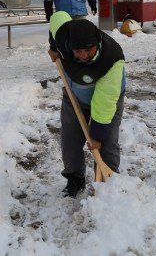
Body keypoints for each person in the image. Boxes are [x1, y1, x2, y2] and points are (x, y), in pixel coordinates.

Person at [47, 12, 125, 197]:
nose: (83, 55)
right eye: (77, 51)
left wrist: (96, 134)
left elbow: (104, 102)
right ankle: (74, 179)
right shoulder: (64, 35)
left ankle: (109, 182)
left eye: (88, 50)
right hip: (73, 94)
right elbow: (57, 17)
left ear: (97, 43)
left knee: (106, 142)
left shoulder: (112, 58)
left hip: (108, 98)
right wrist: (53, 47)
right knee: (71, 140)